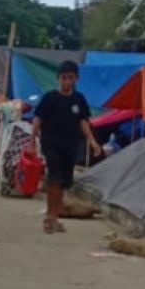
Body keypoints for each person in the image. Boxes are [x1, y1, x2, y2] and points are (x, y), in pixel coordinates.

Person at [32, 60, 102, 234]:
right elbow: (37, 119)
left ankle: (55, 216)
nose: (67, 82)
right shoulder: (49, 98)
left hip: (69, 146)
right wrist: (31, 141)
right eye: (64, 78)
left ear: (76, 79)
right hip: (51, 145)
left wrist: (92, 141)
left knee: (64, 182)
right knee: (54, 180)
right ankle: (50, 218)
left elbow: (83, 122)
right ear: (58, 78)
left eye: (70, 78)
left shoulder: (78, 99)